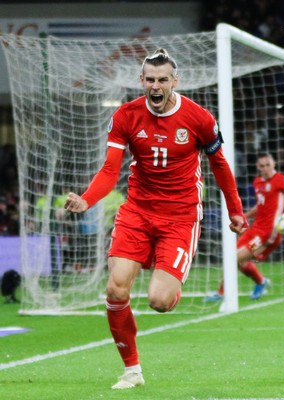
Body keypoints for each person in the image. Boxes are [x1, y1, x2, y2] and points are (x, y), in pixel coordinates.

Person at [64, 48, 248, 390]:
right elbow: (109, 170)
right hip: (137, 211)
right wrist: (87, 199)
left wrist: (235, 209)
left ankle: (172, 280)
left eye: (163, 79)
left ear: (175, 81)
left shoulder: (199, 118)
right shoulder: (125, 116)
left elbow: (220, 165)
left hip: (180, 216)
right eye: (150, 80)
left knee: (159, 302)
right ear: (141, 81)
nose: (156, 86)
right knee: (116, 288)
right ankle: (132, 370)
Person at [206, 152, 284, 302]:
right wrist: (245, 215)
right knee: (238, 260)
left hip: (267, 233)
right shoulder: (257, 182)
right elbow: (261, 206)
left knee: (235, 258)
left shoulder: (281, 180)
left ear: (274, 164)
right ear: (258, 167)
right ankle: (260, 282)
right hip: (255, 229)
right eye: (262, 166)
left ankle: (221, 292)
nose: (265, 168)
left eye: (268, 165)